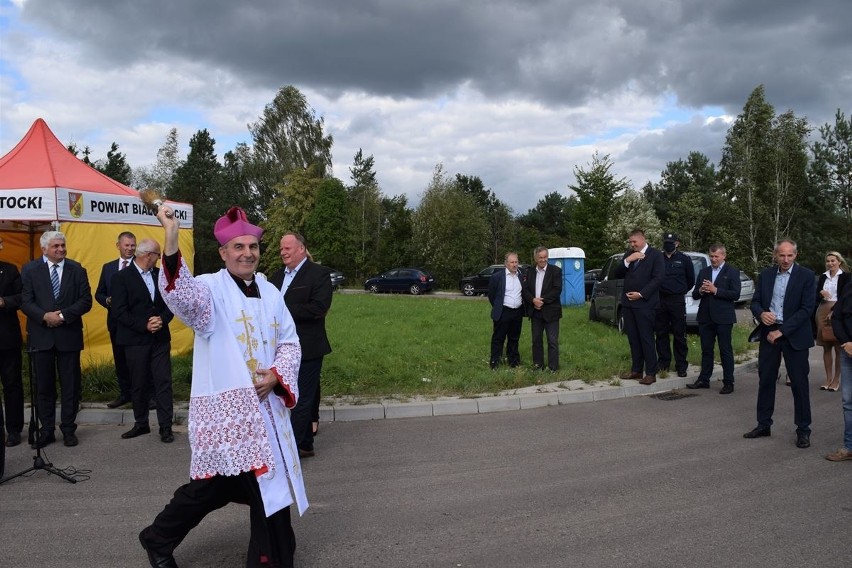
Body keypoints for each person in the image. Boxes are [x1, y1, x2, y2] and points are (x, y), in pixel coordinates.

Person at [138, 205, 307, 568]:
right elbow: (180, 296)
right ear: (223, 252)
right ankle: (161, 538)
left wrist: (277, 374)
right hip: (229, 418)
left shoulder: (271, 291)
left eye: (254, 247)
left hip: (266, 413)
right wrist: (170, 237)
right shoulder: (209, 290)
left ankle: (160, 537)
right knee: (226, 487)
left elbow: (290, 342)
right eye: (239, 247)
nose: (248, 253)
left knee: (239, 485)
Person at [20, 231, 92, 448]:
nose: (61, 249)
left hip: (68, 336)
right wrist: (44, 316)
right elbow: (25, 301)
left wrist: (61, 316)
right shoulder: (30, 270)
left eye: (62, 245)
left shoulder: (76, 269)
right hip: (41, 337)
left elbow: (86, 300)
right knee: (44, 386)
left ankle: (69, 429)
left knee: (70, 385)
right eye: (56, 246)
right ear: (44, 249)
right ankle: (47, 429)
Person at [745, 239, 815, 448]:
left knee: (800, 385)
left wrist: (781, 331)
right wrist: (761, 314)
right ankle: (763, 424)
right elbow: (755, 301)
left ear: (796, 255)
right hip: (769, 335)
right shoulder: (766, 275)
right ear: (775, 255)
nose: (785, 260)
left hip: (794, 336)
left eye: (789, 255)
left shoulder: (806, 276)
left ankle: (803, 430)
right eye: (781, 255)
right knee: (766, 381)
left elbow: (807, 309)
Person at [269, 233, 333, 458]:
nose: (283, 252)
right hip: (281, 349)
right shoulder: (276, 277)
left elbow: (319, 308)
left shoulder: (319, 274)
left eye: (287, 248)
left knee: (301, 399)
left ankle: (290, 451)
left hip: (308, 348)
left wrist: (284, 313)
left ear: (301, 249)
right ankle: (305, 444)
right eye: (281, 249)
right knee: (287, 395)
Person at [110, 238, 175, 443]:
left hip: (160, 339)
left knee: (163, 381)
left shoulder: (160, 275)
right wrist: (144, 325)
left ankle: (165, 426)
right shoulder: (121, 278)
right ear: (149, 255)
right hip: (135, 340)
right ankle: (141, 423)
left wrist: (161, 320)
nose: (159, 258)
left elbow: (171, 303)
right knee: (138, 383)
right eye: (158, 255)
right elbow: (119, 311)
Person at [687, 244, 741, 394]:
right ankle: (704, 379)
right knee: (706, 350)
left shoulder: (732, 271)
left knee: (725, 350)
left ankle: (728, 382)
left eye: (716, 256)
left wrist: (715, 290)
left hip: (723, 317)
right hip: (705, 316)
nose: (713, 259)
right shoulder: (704, 271)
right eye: (711, 256)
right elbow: (695, 295)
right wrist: (701, 290)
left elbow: (735, 294)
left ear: (724, 256)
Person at [613, 229, 665, 385]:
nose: (632, 244)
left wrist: (641, 294)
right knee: (633, 339)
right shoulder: (630, 254)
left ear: (643, 240)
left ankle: (651, 372)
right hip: (628, 305)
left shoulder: (655, 255)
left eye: (634, 242)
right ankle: (636, 370)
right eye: (630, 242)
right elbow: (617, 273)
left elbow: (658, 278)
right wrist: (628, 260)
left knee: (646, 338)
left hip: (645, 304)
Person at [95, 231, 136, 408]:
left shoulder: (142, 265)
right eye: (126, 245)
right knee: (120, 359)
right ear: (118, 245)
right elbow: (99, 293)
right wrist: (107, 301)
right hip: (116, 323)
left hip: (136, 323)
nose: (130, 249)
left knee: (138, 360)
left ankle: (144, 395)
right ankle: (125, 394)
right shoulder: (108, 267)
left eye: (133, 245)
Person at [654, 232, 695, 378]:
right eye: (666, 242)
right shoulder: (658, 258)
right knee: (661, 333)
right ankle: (663, 363)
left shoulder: (684, 259)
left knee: (679, 334)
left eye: (671, 242)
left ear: (677, 243)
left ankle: (681, 365)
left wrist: (680, 290)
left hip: (677, 300)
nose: (668, 245)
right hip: (661, 300)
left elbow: (691, 280)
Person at [0, 236, 24, 447]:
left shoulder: (9, 270)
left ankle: (14, 429)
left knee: (12, 385)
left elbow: (22, 297)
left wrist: (4, 301)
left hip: (6, 339)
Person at [522, 246, 562, 372]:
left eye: (545, 257)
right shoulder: (530, 272)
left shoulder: (556, 271)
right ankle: (538, 366)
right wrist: (533, 300)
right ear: (535, 258)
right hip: (535, 312)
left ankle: (553, 368)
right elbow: (525, 290)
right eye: (540, 258)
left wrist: (541, 301)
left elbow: (557, 290)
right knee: (536, 341)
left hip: (551, 312)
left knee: (552, 341)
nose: (543, 260)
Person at [815, 251, 850, 391]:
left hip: (838, 311)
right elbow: (816, 297)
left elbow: (846, 297)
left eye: (833, 261)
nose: (830, 263)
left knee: (838, 347)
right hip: (822, 310)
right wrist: (820, 292)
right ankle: (828, 378)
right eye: (828, 261)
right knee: (826, 346)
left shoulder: (846, 277)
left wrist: (834, 311)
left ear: (839, 262)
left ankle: (836, 380)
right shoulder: (823, 277)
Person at [826, 279, 852, 461]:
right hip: (847, 350)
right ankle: (849, 446)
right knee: (848, 402)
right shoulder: (849, 285)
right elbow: (836, 317)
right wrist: (846, 342)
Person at [487, 252, 525, 369]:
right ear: (506, 264)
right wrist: (499, 306)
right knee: (498, 338)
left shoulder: (521, 275)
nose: (514, 264)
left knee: (514, 338)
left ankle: (513, 362)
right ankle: (495, 362)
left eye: (516, 262)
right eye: (512, 262)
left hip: (517, 312)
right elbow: (492, 296)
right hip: (503, 312)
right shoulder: (497, 277)